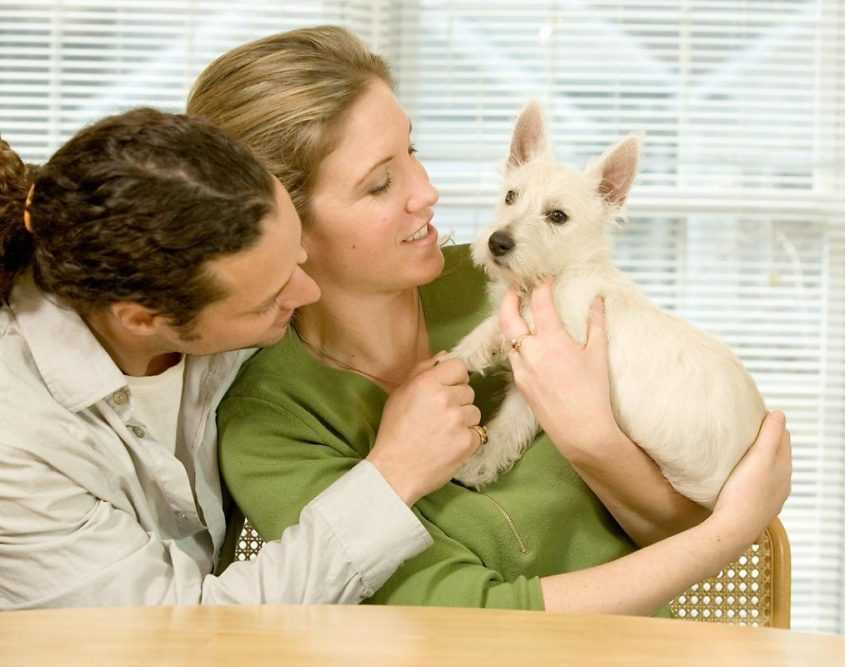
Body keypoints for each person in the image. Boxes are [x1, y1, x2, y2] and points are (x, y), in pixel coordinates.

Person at [191, 26, 792, 615]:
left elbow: (679, 526)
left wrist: (593, 443)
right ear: (281, 223)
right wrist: (392, 467)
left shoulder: (522, 278)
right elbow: (471, 621)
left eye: (413, 150)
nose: (427, 191)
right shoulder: (269, 426)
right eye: (380, 183)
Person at [0, 108, 483, 608]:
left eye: (297, 255)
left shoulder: (191, 246)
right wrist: (396, 472)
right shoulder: (17, 447)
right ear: (143, 320)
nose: (308, 291)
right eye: (267, 301)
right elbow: (178, 632)